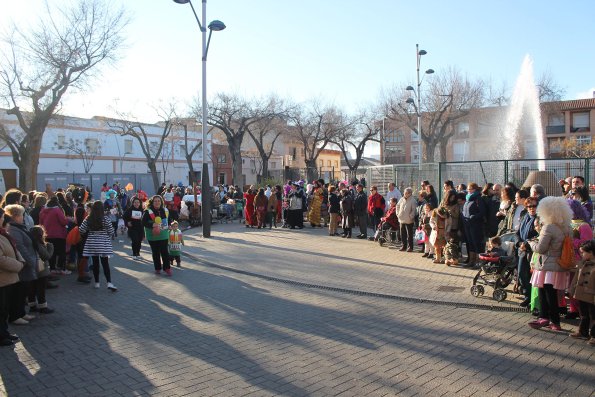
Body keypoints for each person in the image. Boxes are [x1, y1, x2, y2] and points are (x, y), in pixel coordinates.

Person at [527, 196, 573, 332]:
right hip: (559, 265)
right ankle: (550, 320)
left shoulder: (548, 227)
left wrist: (530, 243)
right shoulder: (567, 227)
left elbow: (540, 248)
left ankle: (549, 319)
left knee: (545, 292)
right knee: (553, 294)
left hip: (547, 265)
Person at [5, 205, 38, 326]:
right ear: (15, 216)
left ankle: (21, 313)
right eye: (21, 215)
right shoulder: (14, 230)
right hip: (23, 264)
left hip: (26, 263)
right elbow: (20, 247)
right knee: (19, 291)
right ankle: (15, 315)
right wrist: (30, 261)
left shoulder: (19, 227)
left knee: (24, 290)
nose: (23, 217)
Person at [79, 201, 118, 291]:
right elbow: (111, 232)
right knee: (105, 263)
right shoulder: (105, 219)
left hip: (92, 243)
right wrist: (106, 235)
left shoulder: (88, 218)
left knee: (95, 263)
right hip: (103, 243)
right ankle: (109, 283)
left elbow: (81, 230)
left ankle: (97, 283)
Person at [0, 208, 24, 346]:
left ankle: (4, 332)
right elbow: (1, 259)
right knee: (1, 309)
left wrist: (20, 261)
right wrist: (17, 265)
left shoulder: (3, 234)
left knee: (5, 308)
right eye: (2, 217)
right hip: (2, 278)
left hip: (8, 278)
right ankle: (1, 336)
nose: (3, 220)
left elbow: (13, 248)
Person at [569, 240, 595, 344]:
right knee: (584, 314)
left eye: (583, 252)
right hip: (582, 293)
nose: (581, 254)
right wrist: (572, 289)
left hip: (591, 295)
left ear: (591, 252)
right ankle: (582, 331)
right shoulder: (582, 263)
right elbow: (576, 278)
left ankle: (593, 335)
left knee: (594, 315)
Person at [39, 196, 71, 275]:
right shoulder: (57, 210)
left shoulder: (43, 210)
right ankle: (62, 269)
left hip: (47, 234)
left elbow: (40, 222)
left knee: (51, 252)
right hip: (59, 234)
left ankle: (52, 268)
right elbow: (63, 221)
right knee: (61, 252)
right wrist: (69, 219)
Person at [516, 196, 538, 307]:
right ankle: (527, 295)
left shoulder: (538, 219)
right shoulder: (525, 217)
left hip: (532, 251)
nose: (532, 208)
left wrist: (527, 244)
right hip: (522, 250)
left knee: (531, 276)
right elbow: (517, 233)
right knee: (521, 274)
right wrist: (520, 243)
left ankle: (532, 299)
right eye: (529, 206)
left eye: (534, 206)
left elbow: (538, 236)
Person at [28, 226, 54, 314]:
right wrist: (50, 248)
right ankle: (43, 307)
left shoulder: (28, 243)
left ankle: (32, 306)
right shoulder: (38, 245)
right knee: (41, 290)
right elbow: (46, 256)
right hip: (41, 270)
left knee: (32, 289)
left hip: (31, 270)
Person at [142, 195, 171, 276]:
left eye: (159, 201)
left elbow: (169, 219)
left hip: (163, 234)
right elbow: (143, 222)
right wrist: (152, 224)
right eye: (155, 201)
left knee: (165, 252)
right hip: (152, 235)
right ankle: (157, 268)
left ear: (161, 202)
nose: (157, 202)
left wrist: (169, 225)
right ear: (152, 202)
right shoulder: (147, 211)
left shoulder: (165, 210)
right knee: (155, 252)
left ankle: (167, 268)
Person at [462, 183, 486, 267]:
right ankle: (471, 261)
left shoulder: (478, 198)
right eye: (468, 189)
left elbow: (482, 211)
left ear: (474, 189)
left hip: (475, 225)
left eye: (470, 189)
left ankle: (478, 261)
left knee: (476, 243)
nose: (468, 191)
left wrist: (474, 216)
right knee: (470, 242)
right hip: (467, 224)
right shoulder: (468, 199)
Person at [396, 187, 416, 252]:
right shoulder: (401, 199)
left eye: (406, 193)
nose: (405, 194)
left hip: (409, 220)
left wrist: (411, 216)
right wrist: (397, 213)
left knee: (409, 235)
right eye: (404, 193)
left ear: (410, 193)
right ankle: (403, 246)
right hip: (401, 219)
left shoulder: (413, 200)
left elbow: (414, 210)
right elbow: (397, 206)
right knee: (402, 234)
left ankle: (410, 247)